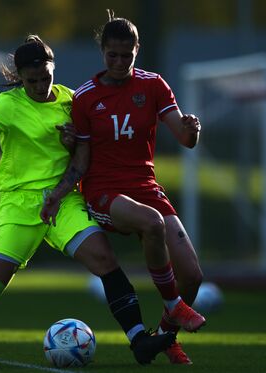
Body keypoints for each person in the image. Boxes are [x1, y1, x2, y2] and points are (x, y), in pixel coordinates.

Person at [0, 35, 175, 366]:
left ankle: (139, 339)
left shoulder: (69, 99)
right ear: (20, 77)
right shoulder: (8, 104)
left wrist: (71, 142)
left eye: (45, 76)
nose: (39, 85)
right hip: (19, 204)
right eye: (31, 80)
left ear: (53, 69)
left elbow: (84, 150)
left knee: (105, 260)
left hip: (62, 200)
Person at [40, 10, 205, 364]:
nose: (118, 62)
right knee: (152, 224)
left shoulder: (153, 85)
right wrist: (58, 193)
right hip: (103, 190)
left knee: (192, 275)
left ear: (136, 51)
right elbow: (81, 159)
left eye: (126, 56)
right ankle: (174, 305)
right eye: (112, 55)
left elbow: (185, 139)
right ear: (102, 52)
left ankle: (164, 337)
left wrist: (192, 129)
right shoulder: (84, 98)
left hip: (145, 187)